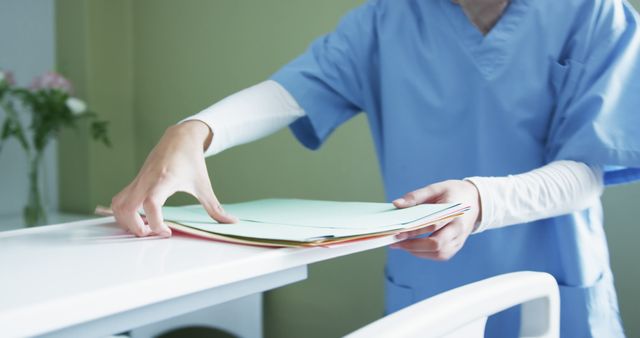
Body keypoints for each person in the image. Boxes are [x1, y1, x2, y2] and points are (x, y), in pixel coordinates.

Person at [110, 0, 640, 336]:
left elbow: (588, 169)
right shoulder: (389, 18)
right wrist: (195, 130)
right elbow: (291, 92)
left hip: (556, 281)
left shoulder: (592, 12)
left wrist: (482, 201)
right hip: (430, 285)